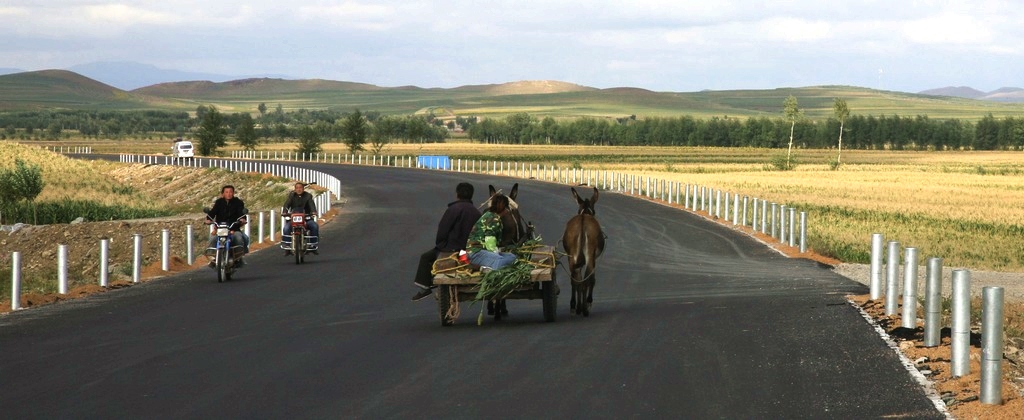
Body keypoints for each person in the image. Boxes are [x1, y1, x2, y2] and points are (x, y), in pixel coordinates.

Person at [412, 182, 481, 301]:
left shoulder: (453, 209)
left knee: (426, 257)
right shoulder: (476, 212)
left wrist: (440, 245)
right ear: (471, 195)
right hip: (467, 250)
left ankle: (425, 288)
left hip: (452, 249)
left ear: (457, 194)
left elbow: (443, 230)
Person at [465, 193, 518, 273]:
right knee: (501, 260)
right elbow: (490, 242)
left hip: (480, 252)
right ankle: (486, 269)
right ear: (505, 208)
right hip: (476, 253)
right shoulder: (494, 218)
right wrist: (496, 255)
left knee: (512, 257)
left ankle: (488, 265)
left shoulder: (489, 214)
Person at [205, 185, 250, 264]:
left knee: (239, 238)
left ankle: (238, 258)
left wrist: (242, 219)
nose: (229, 194)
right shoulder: (219, 202)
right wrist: (208, 219)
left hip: (233, 228)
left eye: (230, 192)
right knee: (212, 238)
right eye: (226, 192)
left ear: (233, 193)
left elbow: (241, 213)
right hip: (220, 229)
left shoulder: (238, 202)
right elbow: (213, 212)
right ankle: (213, 258)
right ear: (223, 194)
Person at [281, 182, 319, 255]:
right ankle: (287, 246)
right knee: (286, 228)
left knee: (314, 226)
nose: (299, 189)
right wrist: (285, 212)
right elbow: (287, 204)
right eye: (297, 188)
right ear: (295, 189)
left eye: (300, 188)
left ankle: (313, 245)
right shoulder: (291, 196)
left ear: (303, 188)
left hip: (306, 218)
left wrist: (313, 212)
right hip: (294, 218)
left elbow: (311, 205)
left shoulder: (308, 196)